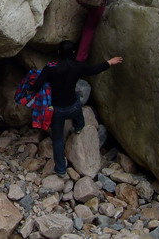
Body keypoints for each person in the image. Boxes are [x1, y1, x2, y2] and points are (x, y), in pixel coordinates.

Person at [29, 41, 123, 177]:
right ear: (73, 53)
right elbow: (94, 70)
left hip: (57, 110)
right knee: (78, 107)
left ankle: (61, 170)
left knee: (58, 140)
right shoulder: (77, 67)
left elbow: (37, 86)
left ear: (59, 53)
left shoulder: (50, 68)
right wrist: (109, 62)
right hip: (72, 107)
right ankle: (79, 127)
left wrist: (28, 88)